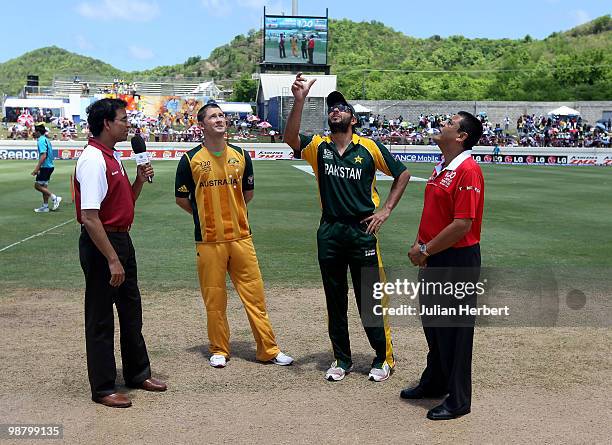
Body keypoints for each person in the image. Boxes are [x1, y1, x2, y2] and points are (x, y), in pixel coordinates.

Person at [284, 74, 411, 382]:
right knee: (335, 298)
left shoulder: (368, 147)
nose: (334, 111)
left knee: (370, 298)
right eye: (331, 109)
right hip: (329, 231)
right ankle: (342, 359)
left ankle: (383, 358)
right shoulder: (319, 147)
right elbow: (290, 138)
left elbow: (402, 174)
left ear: (353, 118)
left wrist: (386, 210)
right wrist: (299, 101)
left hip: (362, 230)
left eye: (341, 108)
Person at [174, 101, 293, 369]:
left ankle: (268, 350)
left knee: (255, 297)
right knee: (214, 300)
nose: (219, 119)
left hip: (241, 238)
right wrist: (204, 214)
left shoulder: (241, 155)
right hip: (209, 241)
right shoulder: (190, 159)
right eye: (213, 116)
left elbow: (247, 194)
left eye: (221, 115)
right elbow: (182, 199)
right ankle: (219, 349)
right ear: (201, 124)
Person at [75, 98, 167, 408]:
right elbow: (90, 217)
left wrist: (139, 181)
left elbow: (124, 201)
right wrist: (112, 258)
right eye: (123, 119)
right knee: (101, 318)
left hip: (121, 240)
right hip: (103, 245)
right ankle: (102, 388)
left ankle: (137, 373)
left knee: (131, 311)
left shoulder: (112, 155)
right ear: (106, 124)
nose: (128, 124)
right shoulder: (92, 160)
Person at [402, 111, 484, 421]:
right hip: (435, 256)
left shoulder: (468, 170)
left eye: (449, 123)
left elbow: (462, 224)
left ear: (462, 136)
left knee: (456, 332)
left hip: (457, 259)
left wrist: (424, 249)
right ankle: (436, 381)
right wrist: (424, 250)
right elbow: (435, 215)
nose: (442, 124)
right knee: (434, 326)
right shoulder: (443, 167)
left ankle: (459, 399)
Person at [31, 124, 61, 213]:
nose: (34, 133)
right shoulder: (46, 139)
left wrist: (37, 168)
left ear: (38, 132)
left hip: (45, 166)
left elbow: (43, 155)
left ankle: (54, 198)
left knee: (37, 186)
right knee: (44, 186)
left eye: (35, 131)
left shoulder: (40, 141)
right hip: (50, 166)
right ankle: (45, 206)